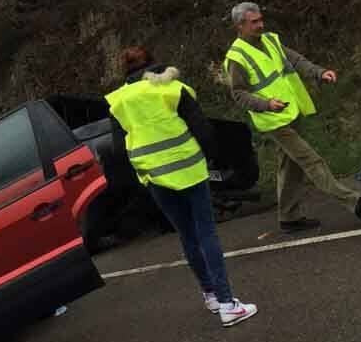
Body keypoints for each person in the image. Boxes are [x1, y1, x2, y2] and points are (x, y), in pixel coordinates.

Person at [106, 46, 257, 327]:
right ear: (153, 65)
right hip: (188, 168)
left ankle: (210, 295)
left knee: (186, 235)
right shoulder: (173, 88)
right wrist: (210, 157)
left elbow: (118, 149)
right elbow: (202, 130)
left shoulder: (118, 101)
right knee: (206, 233)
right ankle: (227, 303)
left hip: (154, 177)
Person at [224, 2, 361, 232]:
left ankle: (288, 218)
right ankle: (354, 202)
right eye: (254, 22)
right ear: (239, 26)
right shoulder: (236, 57)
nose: (260, 25)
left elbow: (295, 59)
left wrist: (319, 73)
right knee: (310, 160)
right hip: (273, 120)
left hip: (291, 111)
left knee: (290, 166)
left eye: (261, 19)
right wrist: (266, 104)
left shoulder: (270, 39)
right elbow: (238, 93)